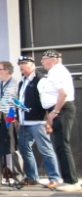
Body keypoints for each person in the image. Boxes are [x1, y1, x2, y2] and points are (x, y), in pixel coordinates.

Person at [16, 56, 61, 189]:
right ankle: (32, 177)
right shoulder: (22, 82)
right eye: (20, 64)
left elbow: (47, 101)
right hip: (24, 123)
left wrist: (48, 120)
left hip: (38, 122)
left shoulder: (41, 80)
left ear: (32, 65)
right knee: (24, 150)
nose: (21, 66)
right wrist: (19, 119)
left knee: (45, 150)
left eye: (24, 63)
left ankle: (54, 178)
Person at [39, 50, 80, 192]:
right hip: (57, 110)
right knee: (60, 145)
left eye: (44, 58)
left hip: (61, 110)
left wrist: (54, 112)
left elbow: (63, 93)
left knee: (63, 145)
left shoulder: (58, 71)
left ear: (53, 60)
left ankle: (72, 181)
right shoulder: (53, 72)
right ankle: (67, 179)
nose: (41, 61)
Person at [0, 61, 24, 184]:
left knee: (14, 148)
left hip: (10, 118)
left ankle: (18, 177)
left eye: (0, 69)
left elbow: (17, 104)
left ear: (7, 70)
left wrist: (14, 119)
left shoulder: (16, 84)